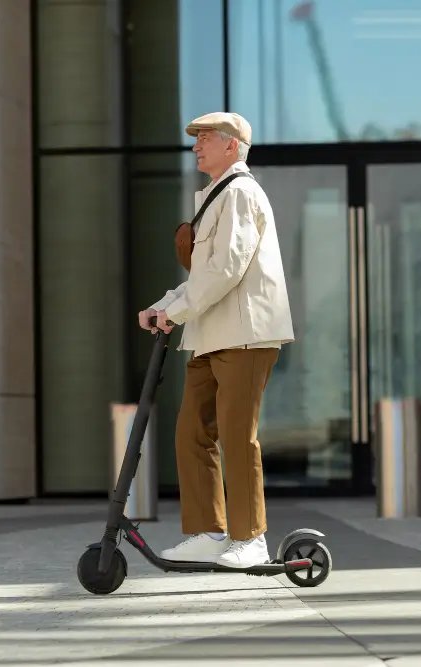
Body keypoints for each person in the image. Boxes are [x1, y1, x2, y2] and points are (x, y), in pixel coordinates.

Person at [138, 111, 293, 568]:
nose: (195, 146)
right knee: (192, 432)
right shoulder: (216, 196)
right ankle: (209, 531)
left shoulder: (242, 194)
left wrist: (176, 312)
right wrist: (165, 306)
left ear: (232, 146)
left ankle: (252, 539)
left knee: (235, 436)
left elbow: (227, 269)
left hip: (244, 336)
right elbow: (206, 274)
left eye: (204, 139)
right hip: (210, 336)